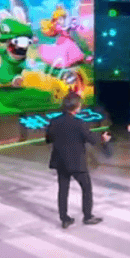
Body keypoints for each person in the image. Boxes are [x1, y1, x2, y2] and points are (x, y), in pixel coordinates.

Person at [45, 93, 111, 229]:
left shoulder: (54, 121)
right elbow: (92, 140)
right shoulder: (79, 123)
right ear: (76, 106)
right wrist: (103, 139)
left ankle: (64, 219)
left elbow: (48, 139)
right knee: (86, 188)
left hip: (60, 162)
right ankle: (88, 216)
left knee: (63, 190)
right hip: (76, 163)